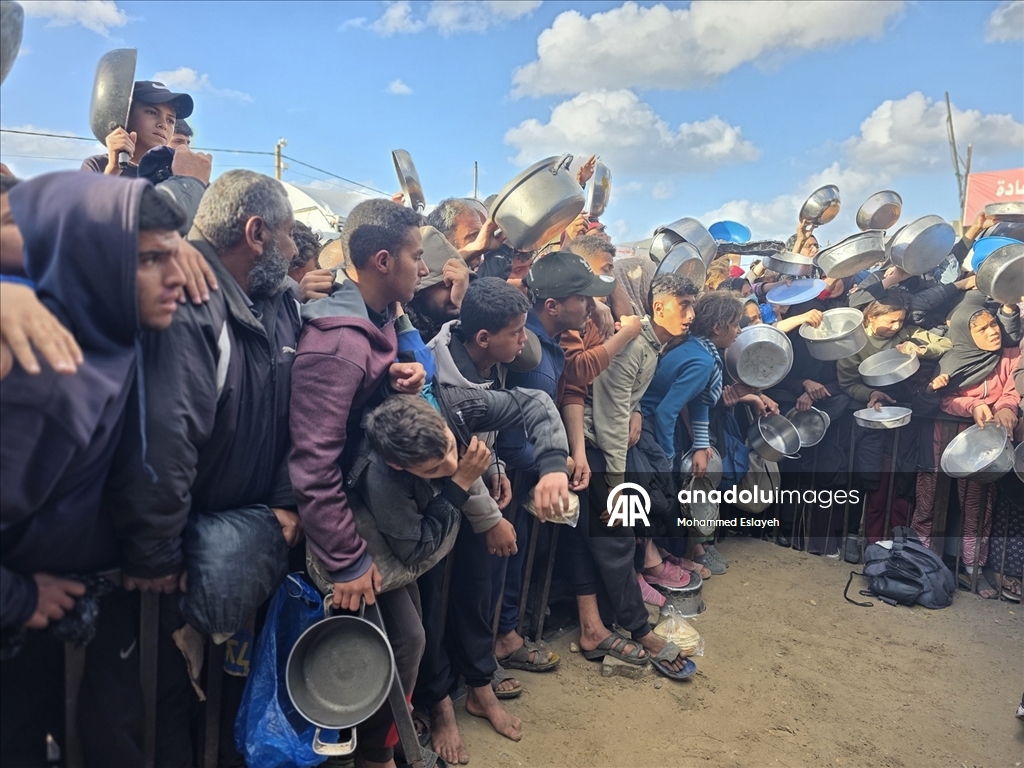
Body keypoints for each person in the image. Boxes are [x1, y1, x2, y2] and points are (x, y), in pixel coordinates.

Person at [100, 169, 303, 766]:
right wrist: (160, 561)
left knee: (222, 699)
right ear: (257, 232)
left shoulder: (281, 303)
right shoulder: (189, 303)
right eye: (289, 236)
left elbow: (302, 410)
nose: (296, 250)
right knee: (159, 705)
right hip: (171, 566)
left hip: (246, 536)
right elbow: (162, 447)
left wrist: (287, 504)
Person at [1, 172, 187, 767]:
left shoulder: (108, 340)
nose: (180, 277)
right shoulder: (38, 384)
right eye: (153, 260)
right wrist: (15, 597)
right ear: (92, 262)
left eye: (176, 255)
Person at [289, 199, 428, 768]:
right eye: (417, 257)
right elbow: (312, 460)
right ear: (381, 260)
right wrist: (345, 559)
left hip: (366, 520)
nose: (425, 268)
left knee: (407, 643)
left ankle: (376, 756)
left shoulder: (380, 322)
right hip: (340, 533)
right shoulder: (340, 342)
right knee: (344, 667)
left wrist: (405, 377)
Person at [421, 277, 570, 762]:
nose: (525, 341)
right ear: (483, 337)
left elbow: (496, 426)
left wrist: (500, 469)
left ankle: (480, 688)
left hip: (475, 483)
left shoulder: (489, 361)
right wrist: (493, 519)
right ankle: (441, 704)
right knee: (434, 606)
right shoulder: (443, 382)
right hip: (435, 504)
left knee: (478, 590)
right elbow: (457, 456)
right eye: (517, 332)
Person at [567, 273, 700, 680]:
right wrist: (614, 485)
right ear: (658, 307)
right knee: (618, 537)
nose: (691, 316)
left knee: (599, 539)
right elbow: (608, 416)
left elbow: (628, 400)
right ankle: (640, 629)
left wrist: (637, 410)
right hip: (594, 446)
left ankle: (599, 627)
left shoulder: (652, 344)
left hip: (606, 446)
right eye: (685, 306)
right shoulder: (634, 345)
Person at [492, 251, 614, 676]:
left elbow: (562, 403)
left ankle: (512, 632)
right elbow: (509, 437)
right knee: (504, 557)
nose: (593, 306)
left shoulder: (553, 349)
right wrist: (552, 466)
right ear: (552, 306)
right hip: (508, 478)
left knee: (523, 551)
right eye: (584, 298)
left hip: (537, 472)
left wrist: (565, 457)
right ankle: (504, 640)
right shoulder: (524, 350)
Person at [910, 300, 1020, 598]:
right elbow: (946, 399)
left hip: (984, 446)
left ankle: (972, 569)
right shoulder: (950, 360)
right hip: (941, 440)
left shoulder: (1008, 356)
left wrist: (1008, 407)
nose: (992, 332)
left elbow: (1011, 389)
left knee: (978, 504)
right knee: (929, 501)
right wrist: (975, 405)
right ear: (965, 333)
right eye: (981, 329)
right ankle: (921, 563)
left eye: (993, 324)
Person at [641, 290, 745, 574]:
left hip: (662, 424)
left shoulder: (702, 352)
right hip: (651, 425)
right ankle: (659, 563)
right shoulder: (701, 360)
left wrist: (700, 445)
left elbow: (700, 401)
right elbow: (665, 411)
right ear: (717, 327)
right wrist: (668, 457)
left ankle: (671, 556)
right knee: (666, 492)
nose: (739, 330)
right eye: (735, 324)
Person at [81, 81, 194, 176]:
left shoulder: (176, 174)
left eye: (170, 120)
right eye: (152, 112)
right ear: (126, 115)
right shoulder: (98, 165)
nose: (163, 125)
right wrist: (114, 169)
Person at [426, 197, 503, 270]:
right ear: (445, 239)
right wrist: (475, 248)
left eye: (481, 234)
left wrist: (504, 248)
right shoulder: (423, 274)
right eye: (473, 235)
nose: (482, 239)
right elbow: (435, 269)